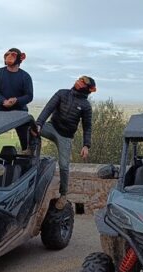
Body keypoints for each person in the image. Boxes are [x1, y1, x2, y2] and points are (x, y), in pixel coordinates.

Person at [34, 76, 96, 209]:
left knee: (63, 165)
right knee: (31, 128)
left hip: (66, 136)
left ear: (87, 88)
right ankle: (31, 154)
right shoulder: (62, 93)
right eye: (79, 79)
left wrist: (86, 145)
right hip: (52, 127)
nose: (79, 81)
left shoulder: (85, 106)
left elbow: (87, 126)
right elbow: (48, 108)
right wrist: (39, 124)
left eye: (83, 81)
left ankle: (63, 195)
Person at [0, 47, 34, 150]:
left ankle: (26, 152)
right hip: (1, 106)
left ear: (20, 58)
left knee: (24, 132)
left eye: (12, 55)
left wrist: (16, 100)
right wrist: (4, 101)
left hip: (19, 108)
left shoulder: (25, 76)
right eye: (7, 55)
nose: (9, 57)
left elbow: (29, 96)